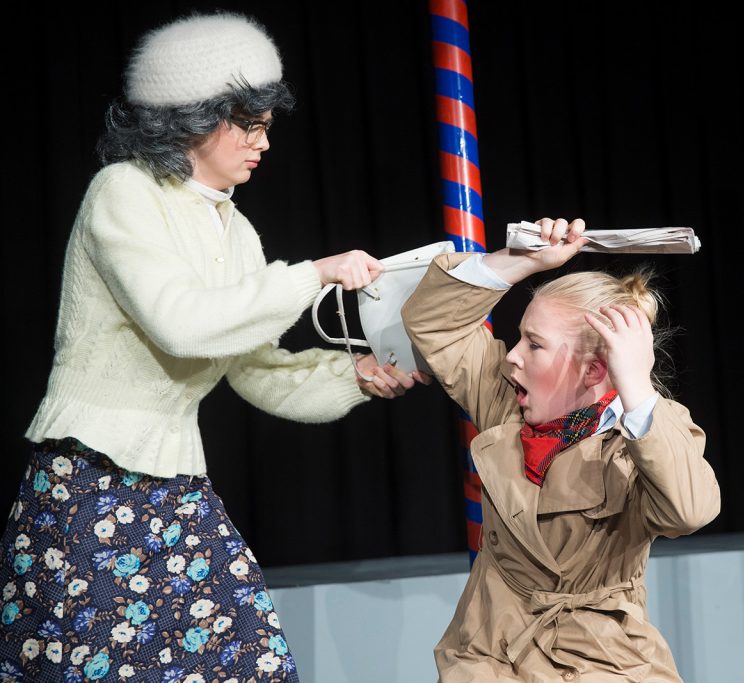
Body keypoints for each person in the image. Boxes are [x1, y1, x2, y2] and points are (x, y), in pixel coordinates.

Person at [0, 12, 426, 682]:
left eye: (267, 126)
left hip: (178, 489)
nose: (262, 142)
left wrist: (358, 376)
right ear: (189, 118)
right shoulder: (124, 192)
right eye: (248, 124)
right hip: (89, 479)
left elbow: (256, 371)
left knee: (252, 662)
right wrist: (314, 272)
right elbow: (184, 323)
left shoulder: (239, 233)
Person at [402, 218, 721, 682]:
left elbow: (690, 511)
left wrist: (637, 388)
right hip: (490, 656)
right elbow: (432, 323)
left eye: (534, 344)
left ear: (595, 371)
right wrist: (521, 261)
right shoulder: (504, 403)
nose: (512, 356)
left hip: (604, 662)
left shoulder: (641, 436)